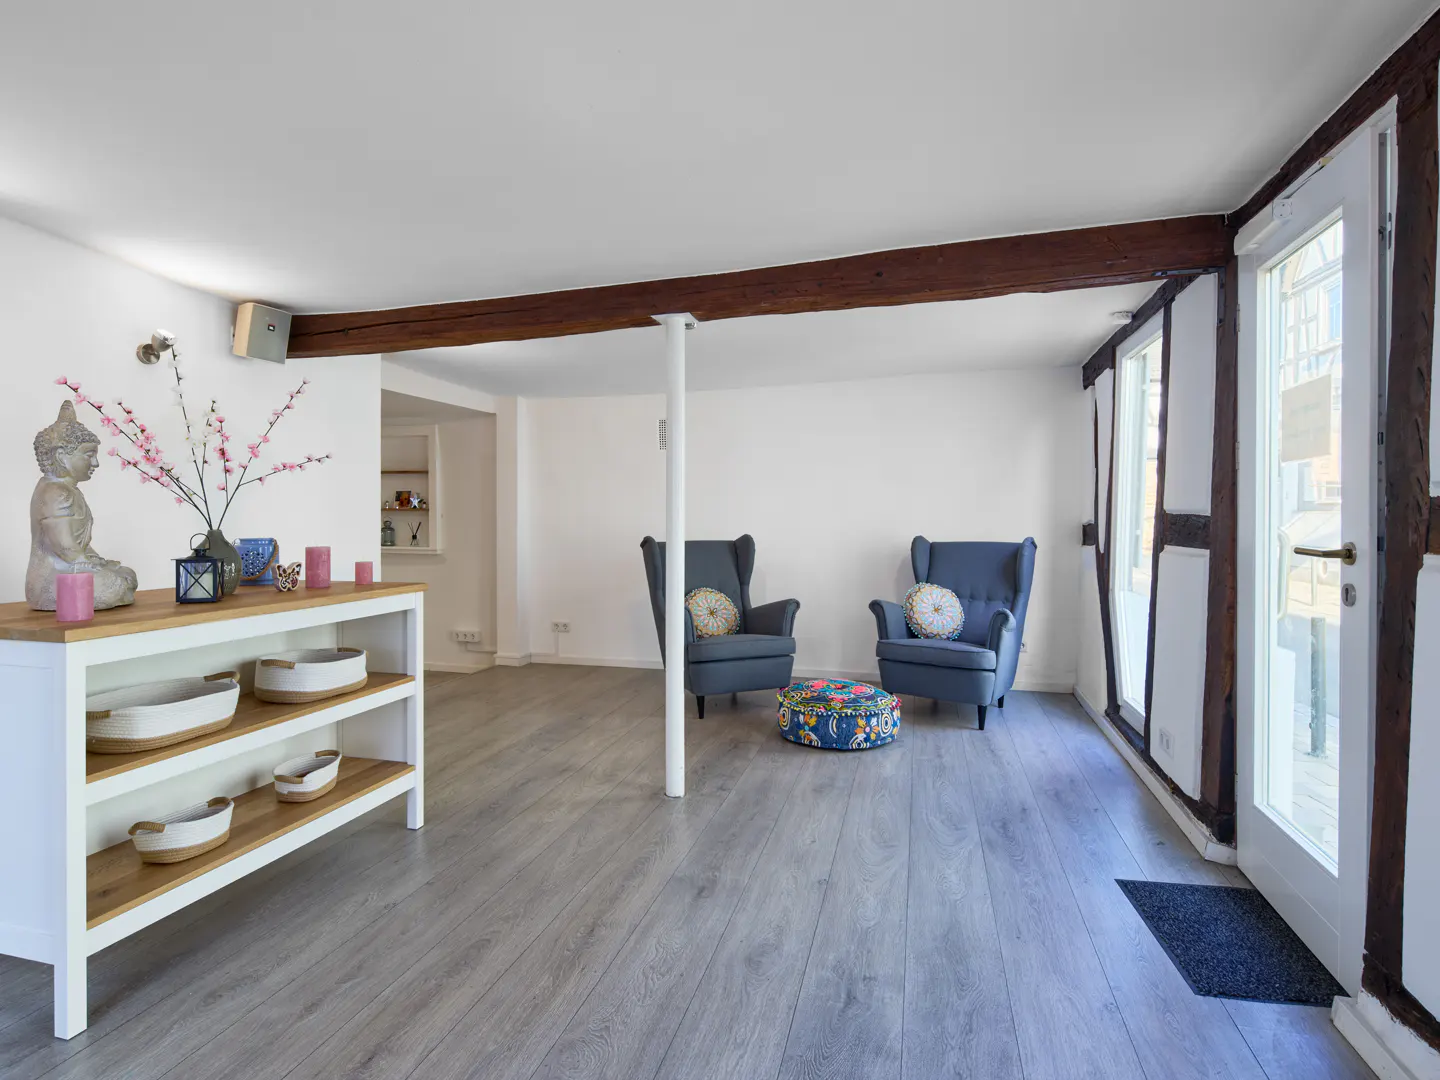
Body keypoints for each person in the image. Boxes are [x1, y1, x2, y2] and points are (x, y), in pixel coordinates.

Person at [27, 401, 138, 610]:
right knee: (115, 583)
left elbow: (79, 545)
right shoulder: (55, 492)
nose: (95, 463)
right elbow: (64, 546)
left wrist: (94, 560)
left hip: (72, 569)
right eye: (89, 455)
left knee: (124, 575)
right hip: (55, 580)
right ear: (61, 456)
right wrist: (84, 562)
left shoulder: (68, 490)